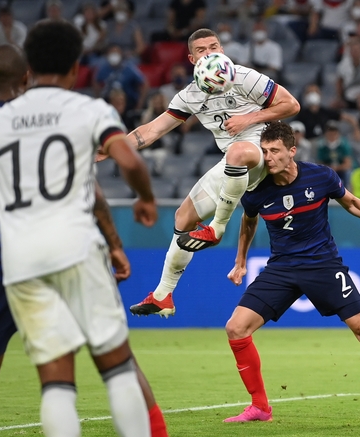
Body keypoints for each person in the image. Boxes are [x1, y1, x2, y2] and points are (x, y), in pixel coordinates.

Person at [0, 21, 160, 437]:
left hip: (16, 260)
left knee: (54, 379)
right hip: (75, 249)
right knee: (118, 366)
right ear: (75, 67)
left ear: (30, 68)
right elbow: (127, 161)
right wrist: (143, 199)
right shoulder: (87, 110)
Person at [224, 121, 360, 423]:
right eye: (264, 151)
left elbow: (353, 203)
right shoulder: (255, 188)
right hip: (281, 268)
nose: (268, 157)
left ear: (291, 151)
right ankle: (260, 407)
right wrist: (241, 260)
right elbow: (248, 221)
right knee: (235, 328)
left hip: (323, 265)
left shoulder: (320, 176)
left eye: (275, 151)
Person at [125, 28, 300, 317]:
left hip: (261, 150)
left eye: (215, 46)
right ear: (192, 58)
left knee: (237, 152)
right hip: (233, 165)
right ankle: (163, 294)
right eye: (203, 50)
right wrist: (112, 146)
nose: (211, 53)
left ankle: (217, 228)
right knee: (182, 218)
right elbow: (152, 130)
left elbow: (291, 104)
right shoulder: (190, 95)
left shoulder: (244, 76)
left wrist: (249, 118)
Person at [334, 37, 360, 114]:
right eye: (353, 50)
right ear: (350, 52)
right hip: (348, 96)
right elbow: (339, 82)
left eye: (357, 50)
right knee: (333, 105)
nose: (355, 52)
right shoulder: (343, 65)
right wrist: (339, 97)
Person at [317, 120, 353, 184]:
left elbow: (348, 164)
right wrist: (330, 168)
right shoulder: (321, 145)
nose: (332, 134)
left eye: (334, 132)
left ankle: (347, 190)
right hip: (327, 169)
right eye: (330, 132)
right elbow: (320, 163)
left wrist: (337, 168)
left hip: (341, 170)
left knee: (348, 172)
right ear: (326, 133)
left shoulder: (344, 144)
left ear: (337, 133)